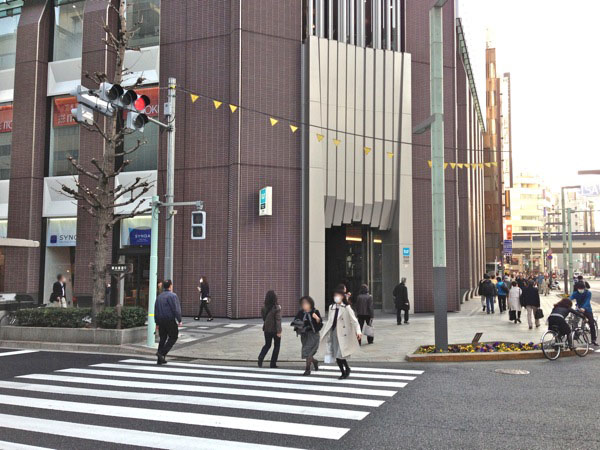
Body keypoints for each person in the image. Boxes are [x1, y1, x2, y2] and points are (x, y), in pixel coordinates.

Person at [321, 289, 362, 379]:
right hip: (334, 333)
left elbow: (354, 320)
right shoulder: (331, 307)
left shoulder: (347, 308)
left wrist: (358, 331)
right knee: (336, 355)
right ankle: (344, 371)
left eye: (338, 296)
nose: (336, 297)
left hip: (343, 334)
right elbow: (330, 321)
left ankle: (346, 370)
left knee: (340, 354)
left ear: (342, 297)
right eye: (335, 296)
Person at [292, 296, 322, 376]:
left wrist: (317, 319)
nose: (304, 305)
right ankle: (315, 361)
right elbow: (295, 321)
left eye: (306, 303)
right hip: (304, 335)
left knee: (307, 351)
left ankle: (307, 369)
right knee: (307, 352)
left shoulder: (315, 311)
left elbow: (320, 324)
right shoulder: (300, 313)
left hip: (313, 335)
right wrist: (298, 323)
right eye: (303, 303)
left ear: (310, 303)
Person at [154, 279, 182, 365]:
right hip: (169, 320)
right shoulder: (173, 296)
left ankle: (160, 359)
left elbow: (156, 310)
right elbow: (176, 309)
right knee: (173, 336)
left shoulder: (159, 296)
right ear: (170, 286)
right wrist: (179, 320)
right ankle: (162, 353)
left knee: (162, 338)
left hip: (160, 320)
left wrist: (157, 322)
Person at [258, 290, 282, 368]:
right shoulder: (277, 308)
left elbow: (264, 318)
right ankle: (273, 363)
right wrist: (279, 331)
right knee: (277, 346)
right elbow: (278, 320)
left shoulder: (264, 308)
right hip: (275, 330)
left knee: (267, 345)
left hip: (267, 329)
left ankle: (261, 357)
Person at [571, 282, 597, 346]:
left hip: (587, 309)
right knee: (574, 321)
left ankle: (593, 340)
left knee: (591, 323)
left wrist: (583, 308)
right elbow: (570, 298)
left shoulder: (588, 293)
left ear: (584, 288)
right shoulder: (575, 293)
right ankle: (576, 335)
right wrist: (564, 303)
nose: (581, 290)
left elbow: (587, 301)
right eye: (579, 289)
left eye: (582, 288)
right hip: (579, 309)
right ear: (577, 288)